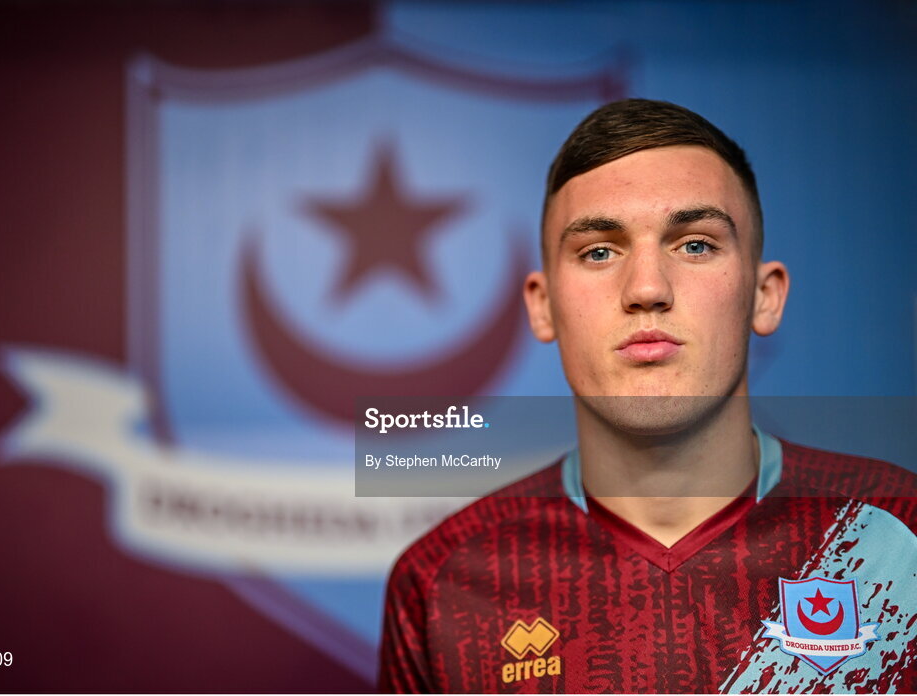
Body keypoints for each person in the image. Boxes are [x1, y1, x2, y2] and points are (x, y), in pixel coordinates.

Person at [377, 99, 917, 693]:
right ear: (543, 304)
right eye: (599, 251)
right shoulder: (443, 581)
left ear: (764, 295)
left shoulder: (899, 537)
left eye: (695, 245)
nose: (647, 289)